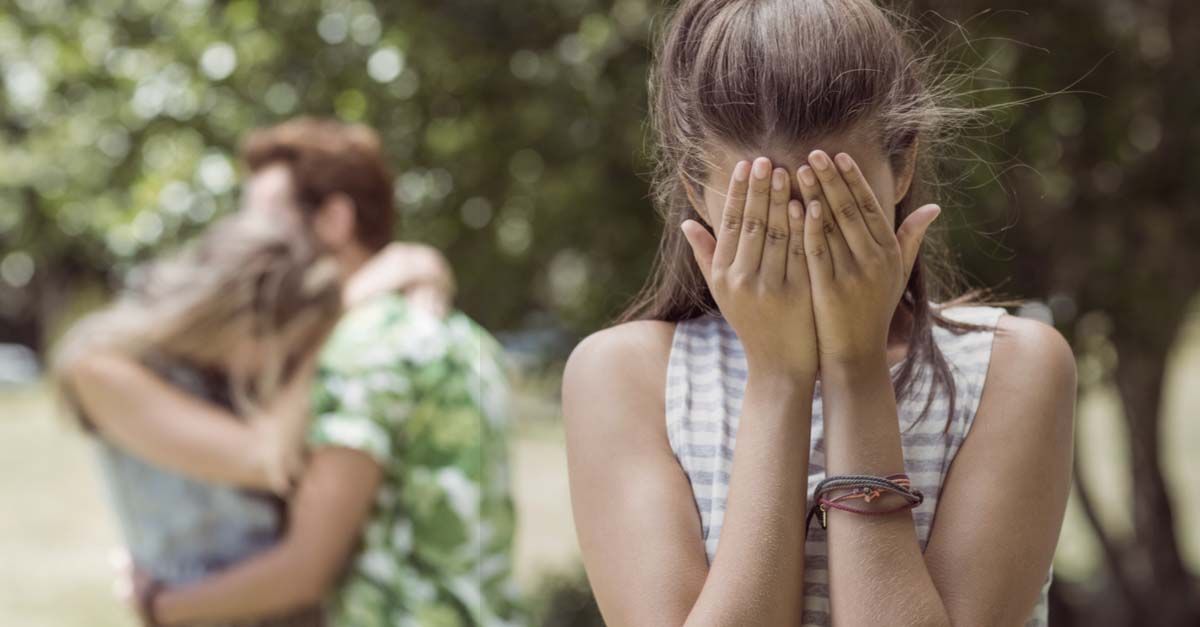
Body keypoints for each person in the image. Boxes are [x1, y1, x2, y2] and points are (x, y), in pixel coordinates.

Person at [562, 2, 1075, 626]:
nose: (802, 243)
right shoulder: (624, 377)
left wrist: (855, 371)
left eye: (832, 208)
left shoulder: (1013, 368)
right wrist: (778, 378)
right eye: (763, 216)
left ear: (902, 166)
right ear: (697, 191)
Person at [66, 118, 522, 626]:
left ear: (334, 220)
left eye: (266, 217)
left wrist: (159, 607)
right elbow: (264, 458)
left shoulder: (353, 351)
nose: (248, 233)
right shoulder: (110, 363)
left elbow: (296, 530)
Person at [56, 213, 344, 627]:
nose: (289, 364)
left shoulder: (229, 377)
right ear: (244, 321)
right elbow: (263, 461)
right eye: (290, 347)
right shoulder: (101, 365)